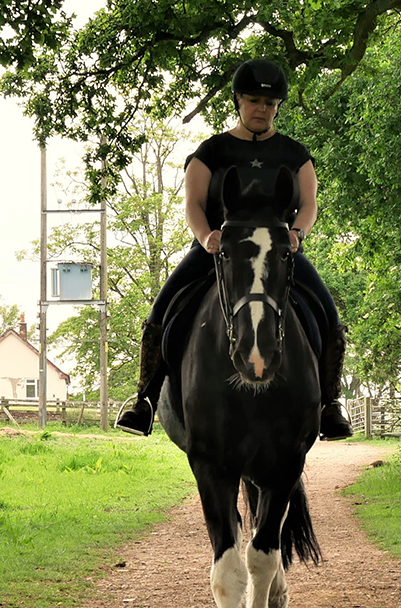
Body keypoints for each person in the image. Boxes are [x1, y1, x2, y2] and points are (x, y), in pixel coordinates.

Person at [115, 58, 352, 440]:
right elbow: (192, 203)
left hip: (276, 250)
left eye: (271, 103)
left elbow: (309, 203)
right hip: (217, 249)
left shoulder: (295, 155)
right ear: (239, 100)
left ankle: (329, 403)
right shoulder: (212, 151)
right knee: (162, 309)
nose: (263, 109)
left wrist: (297, 233)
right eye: (255, 100)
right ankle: (145, 398)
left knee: (328, 313)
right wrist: (206, 236)